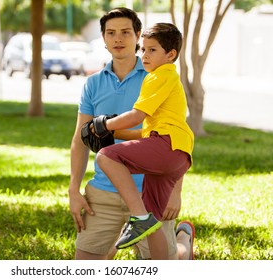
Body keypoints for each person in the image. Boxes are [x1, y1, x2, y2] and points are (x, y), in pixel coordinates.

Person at [69, 7, 195, 260]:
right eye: (111, 33)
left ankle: (183, 243)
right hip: (103, 191)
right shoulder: (93, 84)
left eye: (126, 32)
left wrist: (175, 191)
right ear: (103, 39)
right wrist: (74, 189)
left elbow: (173, 137)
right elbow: (80, 139)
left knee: (163, 264)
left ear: (138, 35)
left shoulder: (157, 75)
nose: (118, 39)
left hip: (148, 191)